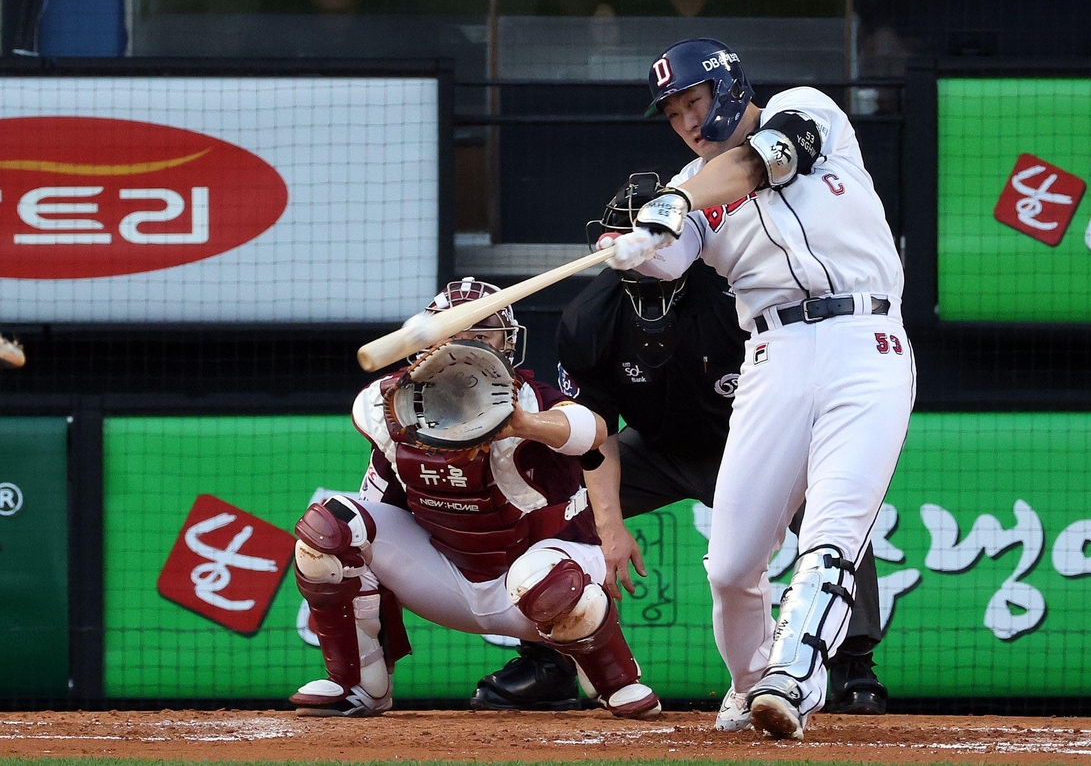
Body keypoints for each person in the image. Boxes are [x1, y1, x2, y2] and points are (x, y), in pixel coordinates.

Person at [472, 174, 891, 719]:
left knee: (836, 513)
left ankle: (853, 668)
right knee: (553, 506)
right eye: (626, 235)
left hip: (758, 444)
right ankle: (546, 664)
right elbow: (594, 436)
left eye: (649, 235)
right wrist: (609, 528)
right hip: (656, 451)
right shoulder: (588, 319)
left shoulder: (736, 295)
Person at [604, 39, 916, 739]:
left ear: (731, 87)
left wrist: (675, 199)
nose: (687, 119)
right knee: (733, 565)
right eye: (674, 111)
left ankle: (795, 678)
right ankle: (751, 686)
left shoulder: (806, 111)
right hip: (774, 356)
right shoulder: (688, 189)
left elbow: (759, 164)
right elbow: (670, 256)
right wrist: (631, 245)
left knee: (832, 531)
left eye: (696, 100)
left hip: (867, 342)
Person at [289, 277, 661, 720]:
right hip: (448, 578)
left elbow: (593, 432)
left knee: (541, 578)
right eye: (456, 327)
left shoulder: (533, 403)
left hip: (544, 584)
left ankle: (616, 680)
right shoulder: (387, 406)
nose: (470, 338)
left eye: (484, 329)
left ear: (507, 341)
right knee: (329, 528)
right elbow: (374, 519)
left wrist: (522, 424)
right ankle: (359, 684)